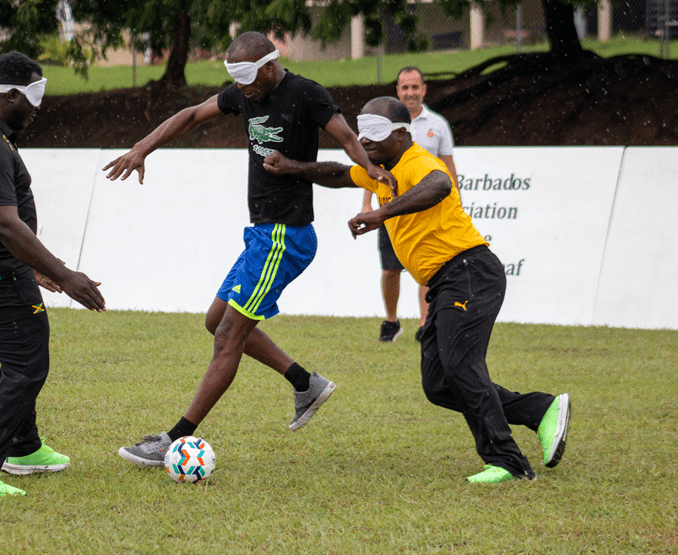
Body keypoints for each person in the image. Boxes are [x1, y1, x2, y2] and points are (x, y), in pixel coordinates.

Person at [104, 31, 395, 467]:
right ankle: (304, 383)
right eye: (234, 78)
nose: (241, 87)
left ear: (270, 65)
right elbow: (190, 115)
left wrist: (371, 169)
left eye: (247, 76)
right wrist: (143, 147)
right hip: (262, 234)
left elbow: (347, 138)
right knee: (216, 320)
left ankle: (175, 437)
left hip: (285, 235)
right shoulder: (244, 94)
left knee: (227, 337)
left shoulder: (305, 94)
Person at [263, 96, 571, 483]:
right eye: (363, 133)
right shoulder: (380, 170)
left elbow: (440, 184)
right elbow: (340, 173)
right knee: (439, 383)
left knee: (461, 366)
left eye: (376, 134)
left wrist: (380, 212)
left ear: (402, 133)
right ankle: (539, 410)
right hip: (445, 282)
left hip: (469, 271)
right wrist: (292, 167)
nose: (367, 142)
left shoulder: (418, 161)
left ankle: (508, 461)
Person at [0, 51, 106, 496]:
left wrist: (38, 270)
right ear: (11, 95)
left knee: (23, 354)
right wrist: (65, 274)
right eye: (32, 98)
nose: (38, 108)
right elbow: (4, 223)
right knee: (25, 368)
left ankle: (25, 448)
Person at [362, 67, 459, 343]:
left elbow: (449, 169)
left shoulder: (438, 125)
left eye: (415, 87)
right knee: (391, 269)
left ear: (424, 90)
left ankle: (425, 324)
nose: (410, 93)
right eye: (405, 88)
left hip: (427, 209)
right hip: (390, 208)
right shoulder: (382, 124)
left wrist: (457, 203)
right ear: (397, 91)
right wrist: (368, 205)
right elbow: (372, 169)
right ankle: (391, 322)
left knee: (426, 268)